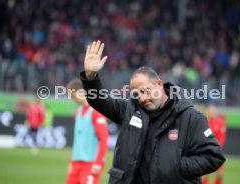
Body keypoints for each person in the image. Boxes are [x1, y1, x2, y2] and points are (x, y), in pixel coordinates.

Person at [80, 40, 225, 184]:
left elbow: (213, 156)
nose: (142, 98)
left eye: (145, 91)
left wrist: (176, 167)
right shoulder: (130, 109)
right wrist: (91, 78)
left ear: (159, 85)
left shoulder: (190, 117)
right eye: (136, 94)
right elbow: (100, 101)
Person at [66, 79, 109, 184]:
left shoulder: (96, 111)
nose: (72, 99)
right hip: (77, 163)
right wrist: (73, 161)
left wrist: (98, 162)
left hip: (90, 162)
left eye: (73, 96)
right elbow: (78, 139)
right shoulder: (77, 112)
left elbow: (103, 138)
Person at [202, 104, 227, 184]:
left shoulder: (220, 122)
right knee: (205, 174)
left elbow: (221, 139)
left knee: (220, 175)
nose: (212, 113)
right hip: (205, 151)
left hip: (217, 152)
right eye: (210, 111)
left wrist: (215, 149)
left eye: (213, 111)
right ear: (207, 112)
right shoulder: (203, 122)